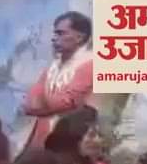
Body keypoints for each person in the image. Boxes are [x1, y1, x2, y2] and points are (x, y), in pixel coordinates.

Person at [22, 11, 95, 152]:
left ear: (79, 37)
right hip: (41, 141)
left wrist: (43, 106)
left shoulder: (90, 64)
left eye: (61, 33)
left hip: (69, 143)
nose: (54, 39)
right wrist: (47, 106)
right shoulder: (53, 66)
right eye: (55, 34)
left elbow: (63, 102)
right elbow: (28, 104)